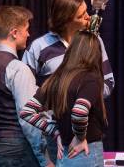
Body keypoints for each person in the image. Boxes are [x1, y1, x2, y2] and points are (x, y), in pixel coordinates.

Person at [22, 0, 114, 163]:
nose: (88, 17)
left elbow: (108, 83)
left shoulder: (94, 41)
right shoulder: (39, 47)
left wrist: (82, 95)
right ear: (66, 20)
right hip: (58, 137)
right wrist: (54, 128)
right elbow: (24, 91)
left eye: (87, 11)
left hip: (87, 133)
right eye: (82, 15)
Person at [21, 30, 107, 167]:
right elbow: (79, 112)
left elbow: (26, 111)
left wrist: (55, 132)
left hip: (64, 155)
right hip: (85, 153)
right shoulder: (91, 78)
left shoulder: (56, 79)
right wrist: (80, 137)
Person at [0, 5, 50, 167]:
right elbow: (27, 119)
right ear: (14, 32)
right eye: (26, 29)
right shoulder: (18, 68)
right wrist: (45, 159)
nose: (29, 34)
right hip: (18, 147)